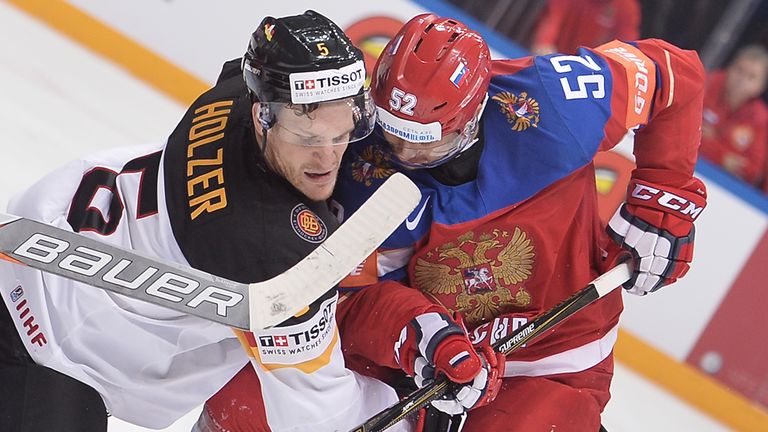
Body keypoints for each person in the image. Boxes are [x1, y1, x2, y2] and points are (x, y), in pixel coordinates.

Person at [204, 12, 708, 432]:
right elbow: (348, 300)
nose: (400, 153)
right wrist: (421, 335)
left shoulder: (555, 104)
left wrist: (663, 197)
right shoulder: (355, 161)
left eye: (425, 142)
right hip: (422, 357)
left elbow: (675, 73)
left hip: (550, 357)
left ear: (473, 116)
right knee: (245, 401)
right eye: (390, 131)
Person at [0, 10, 410, 432]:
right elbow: (318, 412)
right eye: (307, 139)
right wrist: (413, 419)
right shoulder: (267, 249)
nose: (327, 158)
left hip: (37, 240)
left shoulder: (234, 92)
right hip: (52, 346)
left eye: (340, 135)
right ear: (263, 117)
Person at [698, 44, 768, 191]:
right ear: (729, 68)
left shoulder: (761, 118)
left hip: (723, 186)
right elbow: (681, 131)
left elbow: (752, 171)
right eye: (739, 70)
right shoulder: (705, 83)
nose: (741, 80)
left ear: (760, 87)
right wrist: (724, 158)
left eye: (751, 77)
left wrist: (710, 143)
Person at [531, 0, 641, 56]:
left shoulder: (627, 7)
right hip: (554, 60)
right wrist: (544, 46)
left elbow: (625, 50)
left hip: (589, 72)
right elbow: (551, 21)